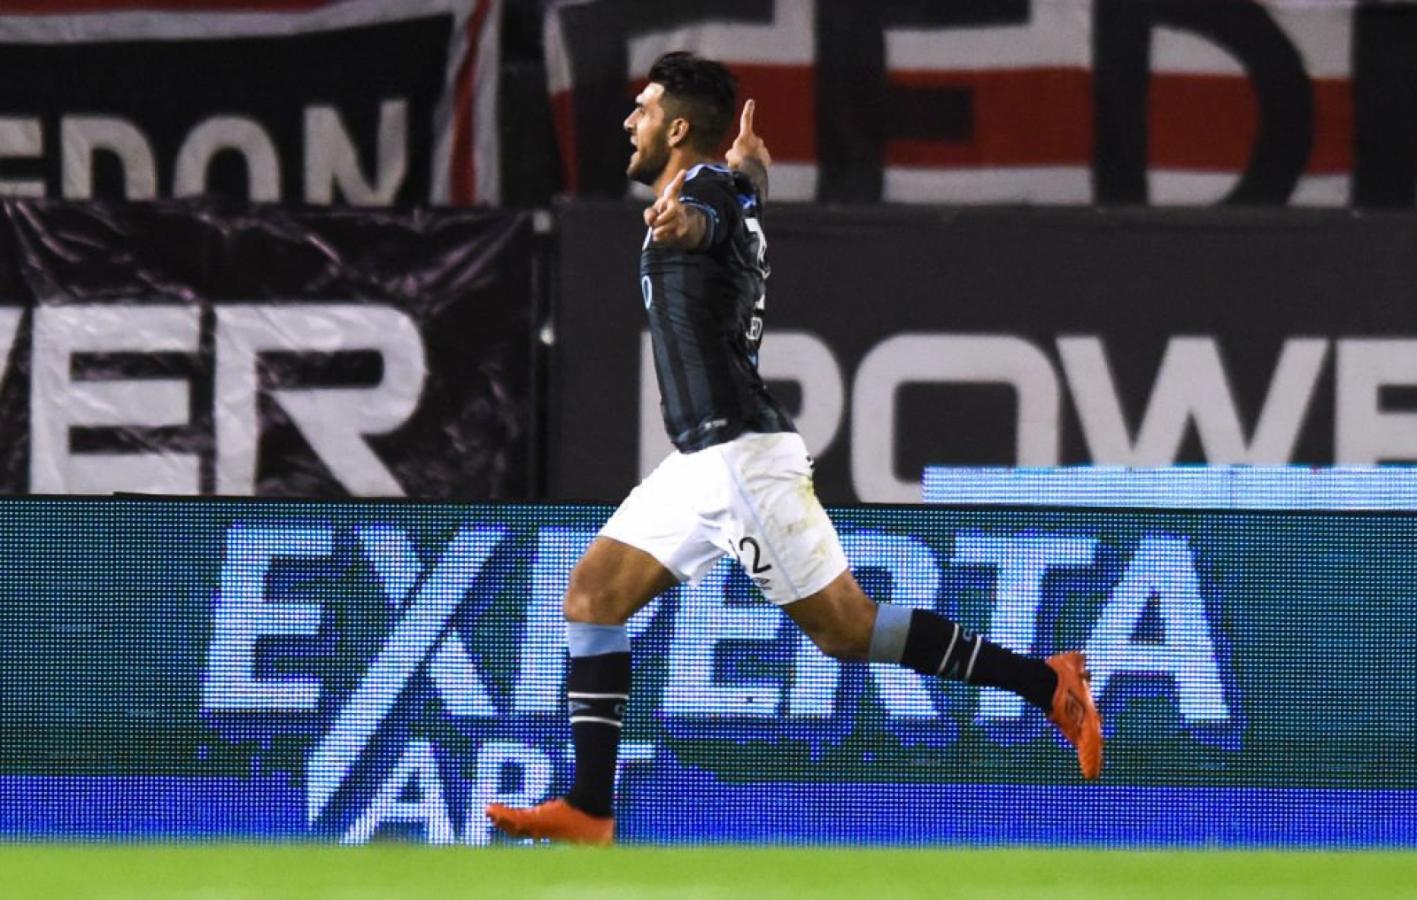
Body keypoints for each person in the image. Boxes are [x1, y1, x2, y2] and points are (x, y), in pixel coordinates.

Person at [486, 51, 1102, 846]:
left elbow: (709, 216)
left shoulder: (699, 195)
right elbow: (735, 195)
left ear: (677, 128)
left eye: (642, 108)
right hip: (699, 459)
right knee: (592, 596)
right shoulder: (725, 184)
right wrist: (748, 175)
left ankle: (1041, 682)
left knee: (844, 629)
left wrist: (695, 217)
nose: (628, 120)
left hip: (741, 457)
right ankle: (591, 809)